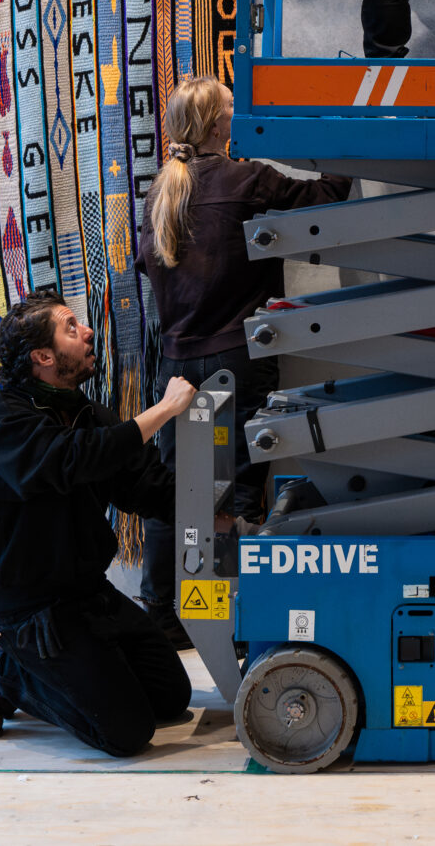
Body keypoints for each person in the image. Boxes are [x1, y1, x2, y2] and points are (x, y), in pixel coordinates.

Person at [135, 74, 351, 647]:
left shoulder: (161, 191)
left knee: (177, 490)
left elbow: (150, 268)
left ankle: (161, 613)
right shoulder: (247, 179)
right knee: (230, 497)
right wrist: (337, 136)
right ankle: (226, 622)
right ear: (217, 125)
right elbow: (329, 196)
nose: (243, 111)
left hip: (175, 364)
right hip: (236, 358)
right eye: (235, 106)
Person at [0, 292, 201, 755]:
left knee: (170, 698)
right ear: (43, 357)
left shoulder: (88, 415)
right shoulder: (2, 419)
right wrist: (163, 410)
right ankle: (3, 667)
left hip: (88, 593)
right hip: (31, 610)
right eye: (71, 327)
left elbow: (144, 485)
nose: (87, 332)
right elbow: (69, 461)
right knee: (126, 733)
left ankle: (82, 668)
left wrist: (215, 509)